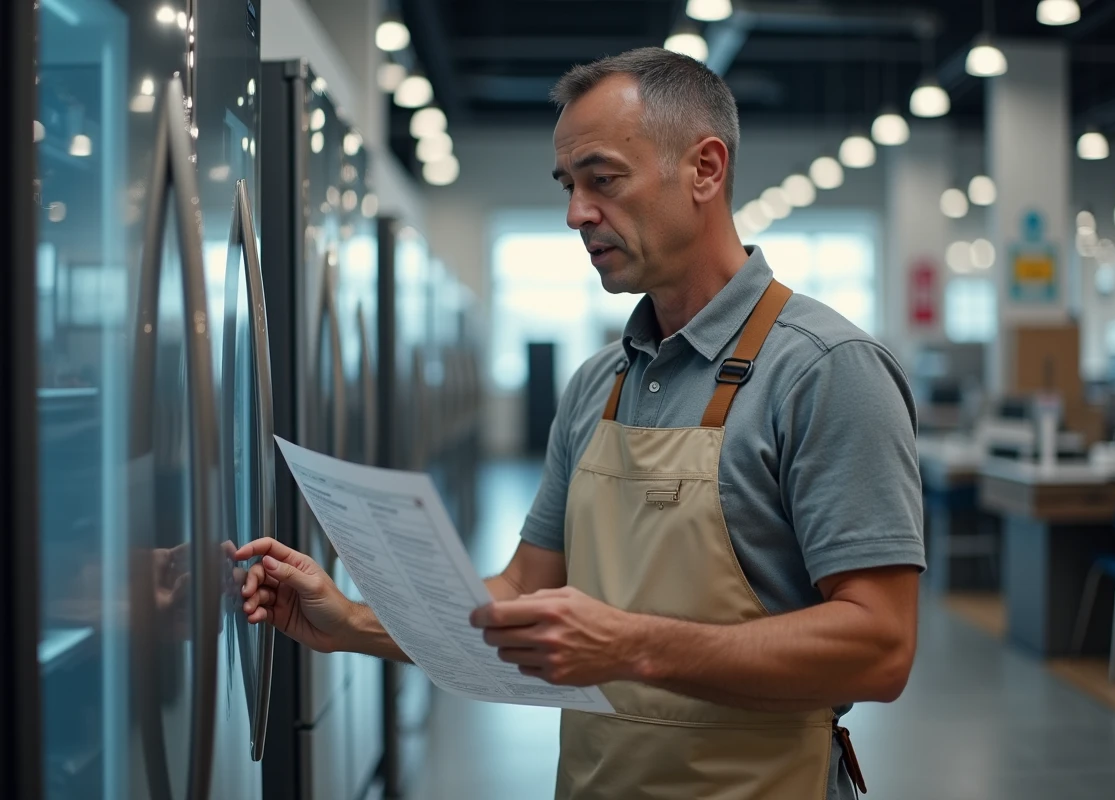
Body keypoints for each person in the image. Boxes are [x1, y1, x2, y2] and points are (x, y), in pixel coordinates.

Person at [237, 47, 924, 799]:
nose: (576, 214)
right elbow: (524, 591)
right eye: (570, 186)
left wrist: (634, 646)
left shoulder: (825, 371)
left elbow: (879, 646)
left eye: (603, 180)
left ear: (705, 169)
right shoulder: (600, 383)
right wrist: (354, 623)